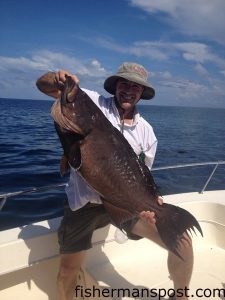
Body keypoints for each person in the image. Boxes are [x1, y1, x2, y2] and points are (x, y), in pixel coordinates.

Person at [36, 62, 193, 300]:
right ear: (115, 86)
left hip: (124, 204)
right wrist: (59, 80)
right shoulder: (91, 102)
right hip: (84, 205)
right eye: (124, 83)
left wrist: (149, 205)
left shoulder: (147, 133)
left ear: (142, 93)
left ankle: (181, 297)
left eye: (136, 86)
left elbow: (142, 177)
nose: (129, 89)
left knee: (183, 242)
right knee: (69, 268)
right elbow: (43, 85)